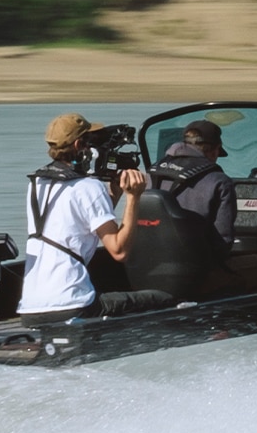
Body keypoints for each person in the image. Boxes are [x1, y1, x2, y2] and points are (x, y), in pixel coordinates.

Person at [16, 112, 176, 320]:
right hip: (72, 303)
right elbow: (119, 251)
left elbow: (82, 221)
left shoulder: (37, 185)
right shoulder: (88, 187)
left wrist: (115, 193)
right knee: (162, 299)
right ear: (79, 146)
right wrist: (133, 197)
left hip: (30, 308)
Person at [148, 118, 236, 253]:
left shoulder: (151, 173)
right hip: (197, 267)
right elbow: (223, 241)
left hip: (147, 259)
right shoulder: (219, 181)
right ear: (215, 150)